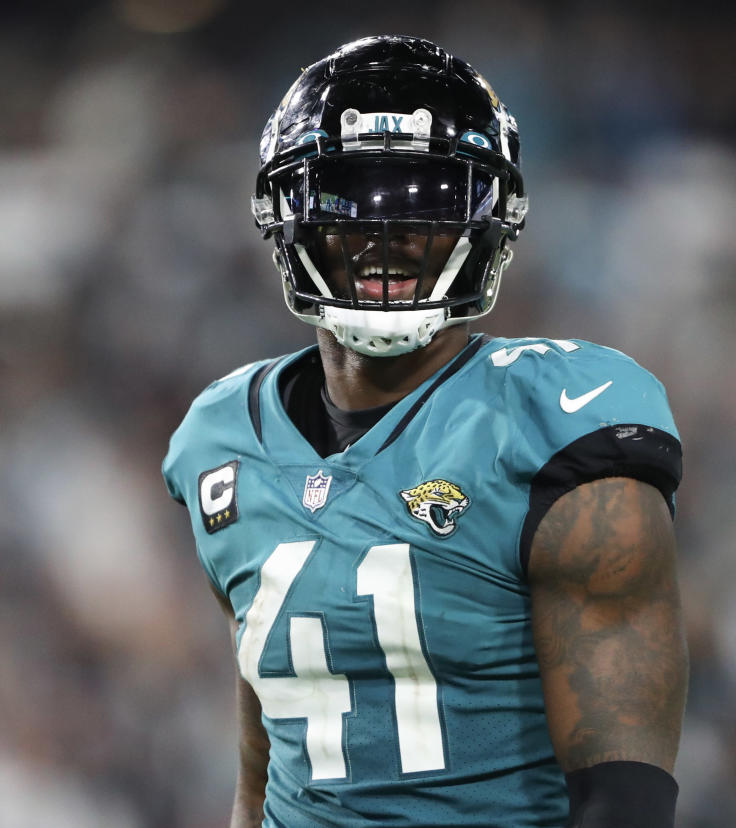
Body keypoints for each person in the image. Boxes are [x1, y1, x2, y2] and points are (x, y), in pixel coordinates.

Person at [162, 35, 687, 828]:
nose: (389, 233)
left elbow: (625, 801)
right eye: (351, 197)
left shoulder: (556, 423)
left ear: (488, 220)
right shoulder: (220, 439)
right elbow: (268, 767)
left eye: (429, 200)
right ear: (288, 215)